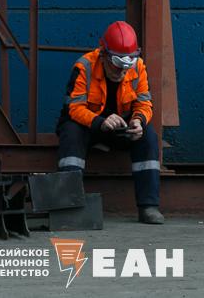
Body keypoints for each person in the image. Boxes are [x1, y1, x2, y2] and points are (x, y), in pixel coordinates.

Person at [56, 21, 163, 224]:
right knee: (71, 131)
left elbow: (144, 103)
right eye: (117, 63)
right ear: (103, 54)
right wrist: (99, 122)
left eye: (127, 65)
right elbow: (74, 108)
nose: (122, 71)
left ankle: (149, 206)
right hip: (89, 127)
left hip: (121, 129)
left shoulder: (138, 67)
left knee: (148, 135)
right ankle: (67, 204)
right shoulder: (84, 67)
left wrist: (138, 121)